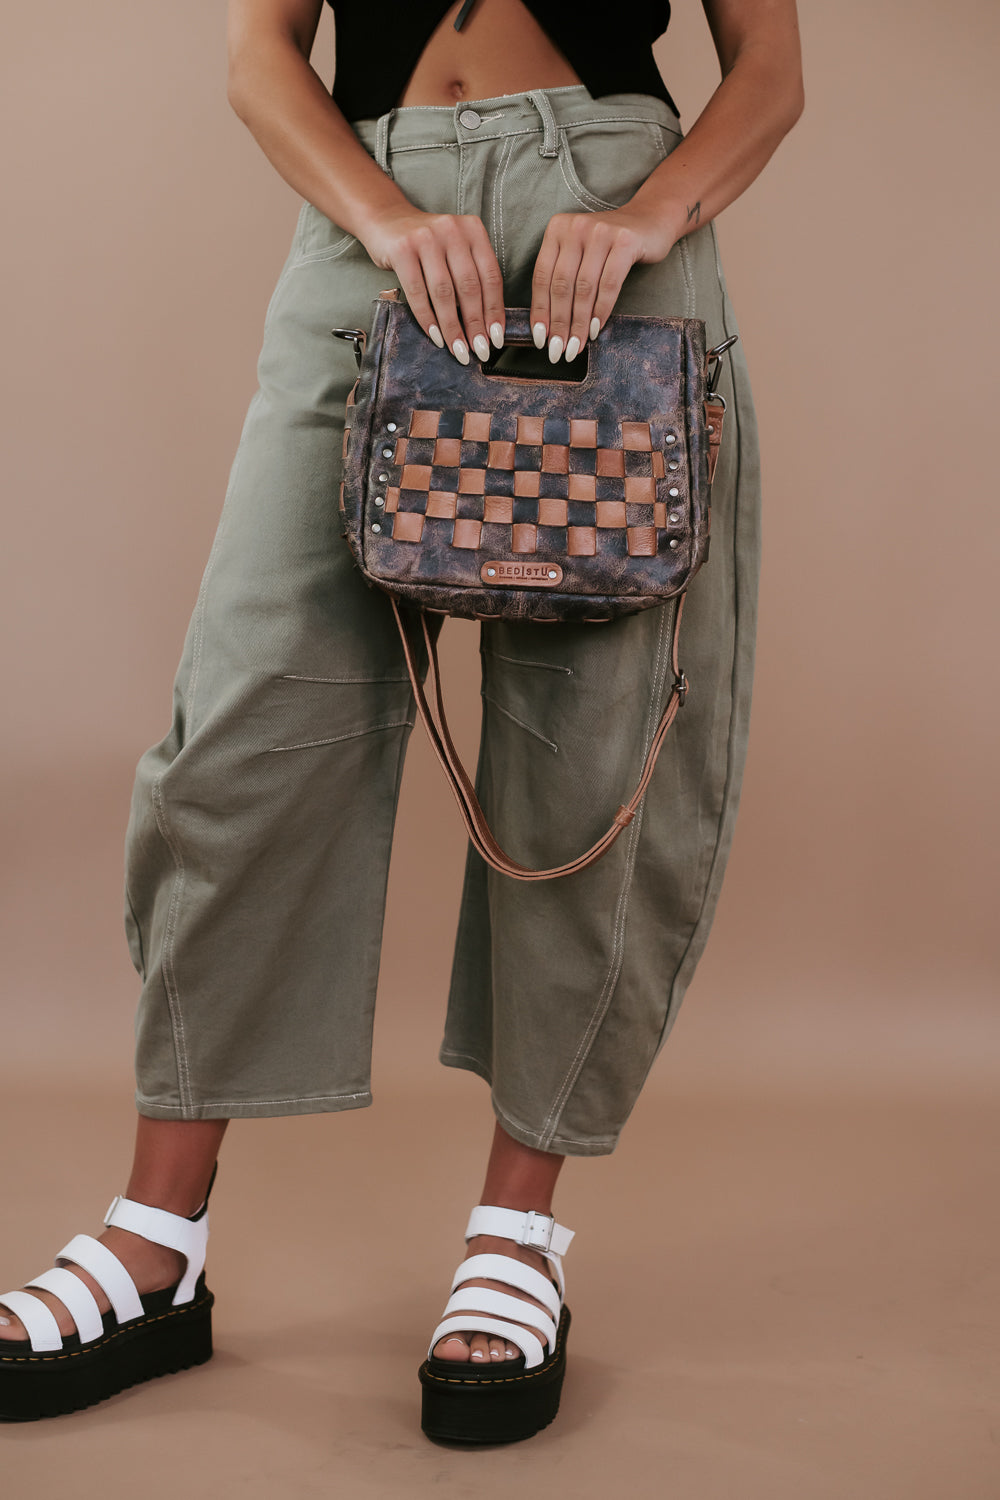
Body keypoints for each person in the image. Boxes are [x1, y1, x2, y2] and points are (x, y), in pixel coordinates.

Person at [0, 0, 803, 1444]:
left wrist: (647, 216)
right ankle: (156, 1237)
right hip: (374, 222)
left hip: (614, 237)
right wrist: (378, 212)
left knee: (594, 747)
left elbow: (771, 73)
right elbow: (261, 54)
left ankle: (517, 1236)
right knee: (248, 732)